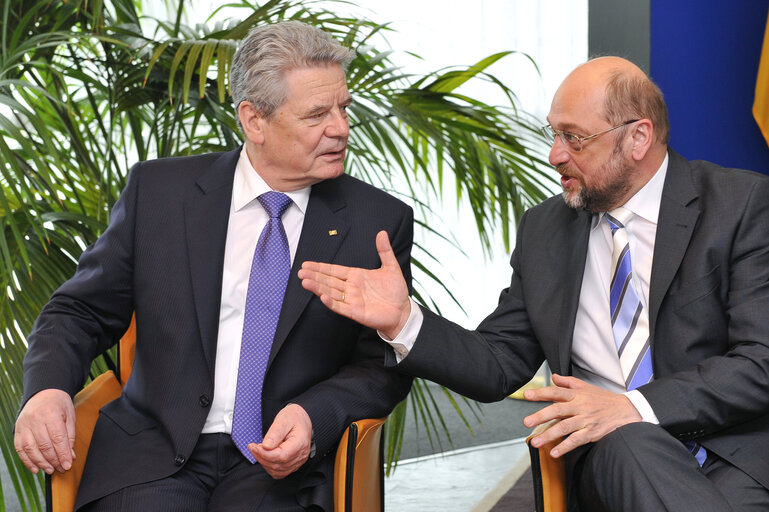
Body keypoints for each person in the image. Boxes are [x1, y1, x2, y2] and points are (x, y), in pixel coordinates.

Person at [299, 56, 769, 511]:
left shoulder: (739, 205)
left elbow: (760, 362)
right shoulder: (545, 230)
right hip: (612, 458)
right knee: (630, 443)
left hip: (730, 456)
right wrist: (406, 322)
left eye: (574, 138)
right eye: (554, 133)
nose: (554, 155)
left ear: (638, 138)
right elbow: (500, 363)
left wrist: (633, 406)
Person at [14, 21, 413, 512]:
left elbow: (382, 363)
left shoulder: (376, 222)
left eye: (343, 108)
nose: (341, 128)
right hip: (154, 453)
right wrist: (48, 389)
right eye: (317, 114)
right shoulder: (159, 194)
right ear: (254, 120)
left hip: (281, 465)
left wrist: (314, 416)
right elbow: (80, 312)